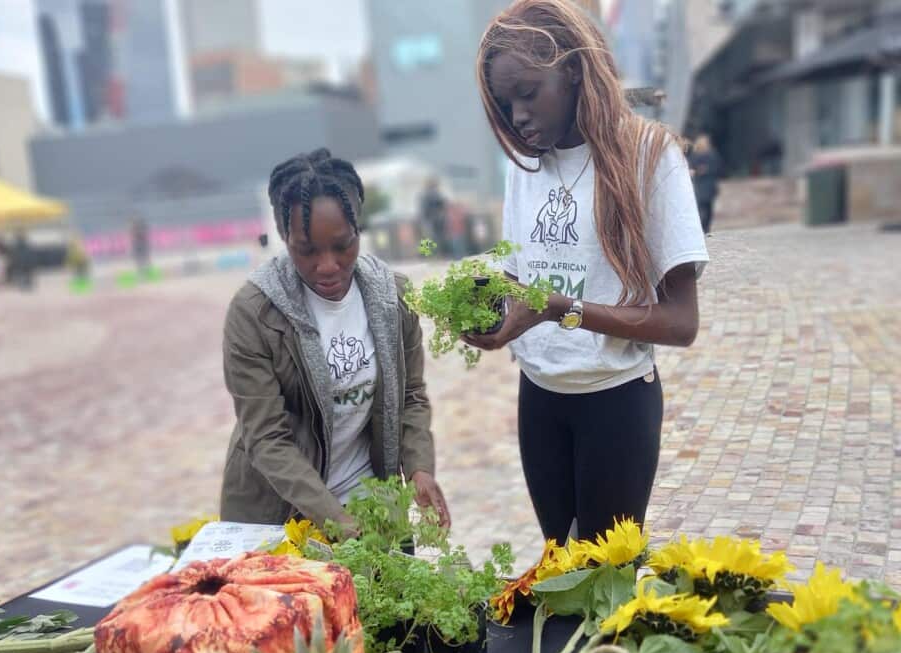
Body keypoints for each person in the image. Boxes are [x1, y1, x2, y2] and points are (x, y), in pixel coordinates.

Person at [470, 0, 709, 542]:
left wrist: (561, 309)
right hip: (540, 399)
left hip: (616, 400)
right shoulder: (525, 166)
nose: (518, 117)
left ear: (574, 69)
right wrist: (490, 310)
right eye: (506, 106)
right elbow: (517, 279)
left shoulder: (648, 156)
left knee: (608, 580)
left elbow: (680, 323)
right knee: (560, 566)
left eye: (527, 93)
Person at [221, 148, 451, 532]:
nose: (327, 266)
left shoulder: (392, 297)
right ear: (283, 236)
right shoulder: (254, 314)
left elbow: (410, 394)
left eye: (342, 245)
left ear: (358, 229)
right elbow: (266, 439)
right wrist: (336, 520)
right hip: (282, 515)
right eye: (306, 250)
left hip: (371, 504)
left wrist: (419, 467)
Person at [688, 134, 724, 234]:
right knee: (702, 207)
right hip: (701, 184)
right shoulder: (695, 155)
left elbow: (717, 168)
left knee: (707, 207)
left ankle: (705, 228)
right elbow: (692, 168)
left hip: (708, 184)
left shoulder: (712, 154)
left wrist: (705, 170)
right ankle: (703, 228)